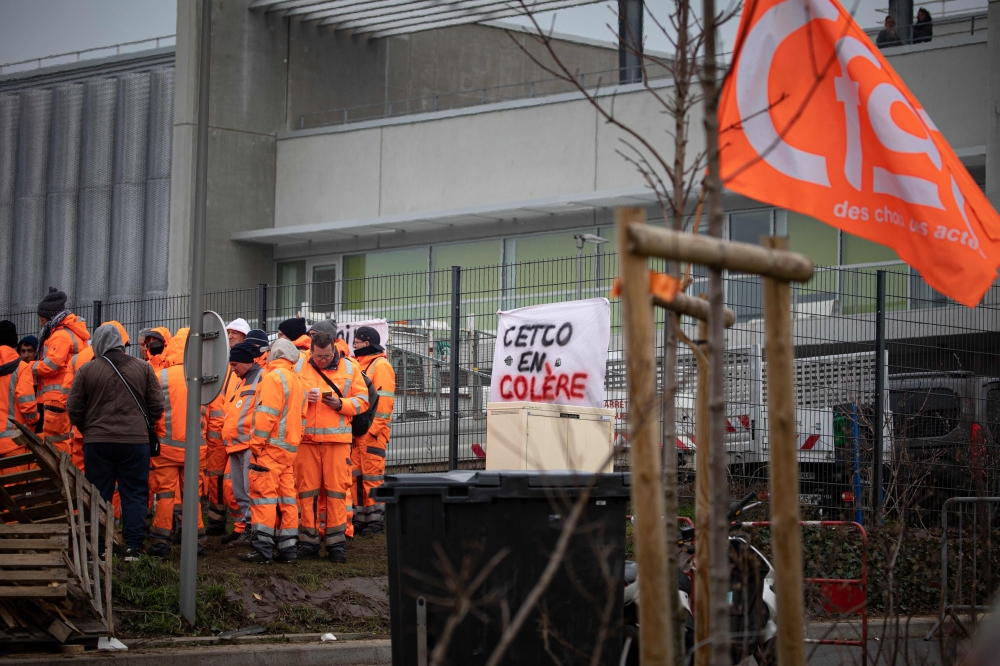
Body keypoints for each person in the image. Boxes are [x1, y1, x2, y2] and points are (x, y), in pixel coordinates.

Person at [67, 324, 164, 560]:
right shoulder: (143, 368)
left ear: (98, 344)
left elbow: (73, 409)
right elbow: (157, 406)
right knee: (134, 493)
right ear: (121, 344)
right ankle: (133, 547)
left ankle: (98, 548)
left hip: (97, 442)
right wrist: (141, 426)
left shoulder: (87, 370)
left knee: (99, 494)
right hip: (135, 442)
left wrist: (88, 428)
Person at [296, 331, 369, 563]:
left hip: (337, 443)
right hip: (306, 441)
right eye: (317, 357)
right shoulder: (299, 365)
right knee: (307, 493)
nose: (321, 361)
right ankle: (309, 542)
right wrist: (302, 399)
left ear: (333, 350)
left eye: (326, 357)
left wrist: (341, 404)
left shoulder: (350, 368)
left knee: (337, 493)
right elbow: (287, 395)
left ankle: (336, 544)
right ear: (311, 351)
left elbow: (363, 401)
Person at [238, 338, 305, 564]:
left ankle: (262, 549)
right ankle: (288, 551)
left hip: (269, 450)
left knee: (263, 499)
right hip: (288, 451)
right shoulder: (297, 381)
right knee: (287, 500)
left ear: (275, 355)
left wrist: (256, 445)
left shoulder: (272, 378)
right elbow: (301, 418)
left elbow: (266, 415)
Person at [147, 328, 207, 558]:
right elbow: (211, 417)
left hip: (166, 449)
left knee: (165, 495)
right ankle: (197, 543)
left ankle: (161, 544)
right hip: (195, 450)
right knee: (193, 496)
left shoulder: (160, 376)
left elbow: (154, 414)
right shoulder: (201, 379)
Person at [204, 318, 252, 536]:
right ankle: (216, 522)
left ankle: (242, 526)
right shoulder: (218, 362)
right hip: (217, 437)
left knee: (232, 485)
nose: (231, 336)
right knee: (215, 481)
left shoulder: (248, 367)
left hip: (236, 436)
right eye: (229, 332)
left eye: (236, 332)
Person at [33, 288, 90, 457]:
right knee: (67, 439)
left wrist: (28, 367)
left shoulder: (60, 336)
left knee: (56, 443)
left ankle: (60, 478)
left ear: (49, 316)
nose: (41, 322)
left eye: (42, 318)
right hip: (65, 396)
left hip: (56, 398)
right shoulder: (70, 333)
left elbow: (51, 365)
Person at [68, 321, 130, 471]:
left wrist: (79, 424)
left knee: (82, 475)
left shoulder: (77, 359)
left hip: (82, 430)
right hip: (113, 431)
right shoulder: (124, 362)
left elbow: (67, 397)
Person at [351, 326, 395, 536]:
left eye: (357, 343)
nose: (354, 346)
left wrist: (374, 431)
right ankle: (361, 518)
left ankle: (376, 521)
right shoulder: (364, 365)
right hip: (361, 433)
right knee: (356, 477)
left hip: (372, 434)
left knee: (372, 477)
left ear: (366, 343)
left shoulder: (380, 366)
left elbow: (385, 402)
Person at [220, 342, 265, 546]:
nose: (232, 368)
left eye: (235, 364)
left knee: (251, 490)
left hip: (249, 445)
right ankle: (246, 529)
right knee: (240, 492)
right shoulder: (243, 380)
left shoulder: (262, 378)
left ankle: (253, 530)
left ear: (247, 362)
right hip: (236, 445)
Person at [0, 321, 38, 475]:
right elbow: (27, 404)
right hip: (13, 443)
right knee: (14, 493)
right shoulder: (22, 368)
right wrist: (35, 419)